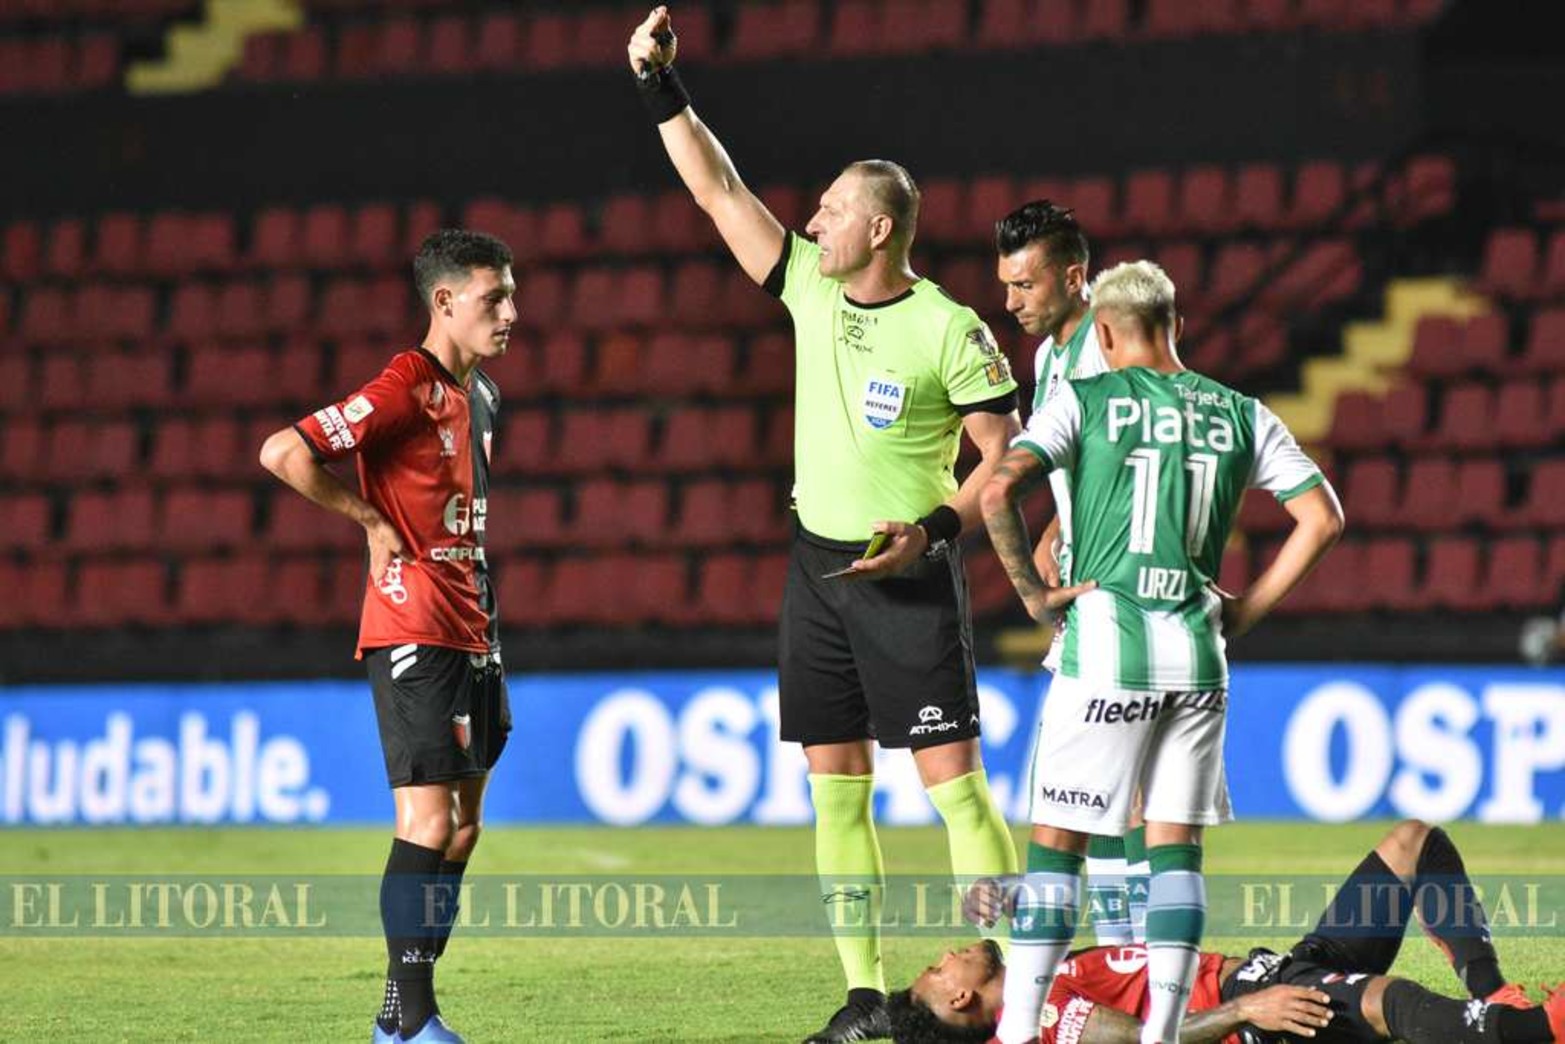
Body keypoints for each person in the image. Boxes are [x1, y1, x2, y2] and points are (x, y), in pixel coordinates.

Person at [627, 8, 1041, 1040]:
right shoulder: (809, 290)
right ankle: (863, 1000)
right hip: (816, 567)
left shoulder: (950, 329)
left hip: (904, 576)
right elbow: (715, 189)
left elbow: (1007, 456)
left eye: (827, 210)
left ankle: (1013, 992)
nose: (809, 223)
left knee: (953, 793)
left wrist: (933, 534)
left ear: (879, 228)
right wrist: (659, 85)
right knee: (836, 797)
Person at [979, 261, 1345, 1044]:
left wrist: (1034, 599)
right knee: (1175, 849)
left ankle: (1013, 1035)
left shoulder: (1083, 396)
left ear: (1103, 332)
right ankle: (1164, 1035)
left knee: (1057, 847)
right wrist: (1245, 609)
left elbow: (996, 489)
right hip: (1200, 658)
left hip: (1107, 651)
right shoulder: (1240, 412)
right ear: (1174, 326)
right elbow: (1322, 518)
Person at [259, 229, 516, 1044]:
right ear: (443, 302)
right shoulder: (404, 385)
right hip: (414, 627)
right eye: (493, 298)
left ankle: (398, 1008)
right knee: (427, 822)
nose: (511, 312)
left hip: (474, 626)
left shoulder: (482, 397)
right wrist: (366, 519)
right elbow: (284, 453)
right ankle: (412, 1020)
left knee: (465, 826)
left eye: (510, 294)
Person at [889, 818, 1565, 1043]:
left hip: (1266, 974)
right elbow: (1141, 1039)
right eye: (937, 967)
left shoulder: (1040, 977)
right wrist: (1245, 1009)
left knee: (1413, 844)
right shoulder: (1041, 1018)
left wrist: (1009, 892)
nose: (947, 954)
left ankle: (1492, 999)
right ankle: (1531, 1032)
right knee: (1381, 1000)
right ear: (956, 1000)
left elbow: (1080, 894)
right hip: (1251, 1012)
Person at [993, 201, 1145, 948]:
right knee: (1093, 789)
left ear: (1074, 276)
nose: (1010, 301)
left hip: (1122, 594)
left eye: (1024, 285)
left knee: (1107, 788)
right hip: (1091, 588)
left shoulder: (1112, 348)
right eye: (1006, 285)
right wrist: (1059, 522)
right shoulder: (1050, 355)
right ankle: (1129, 950)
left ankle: (1141, 954)